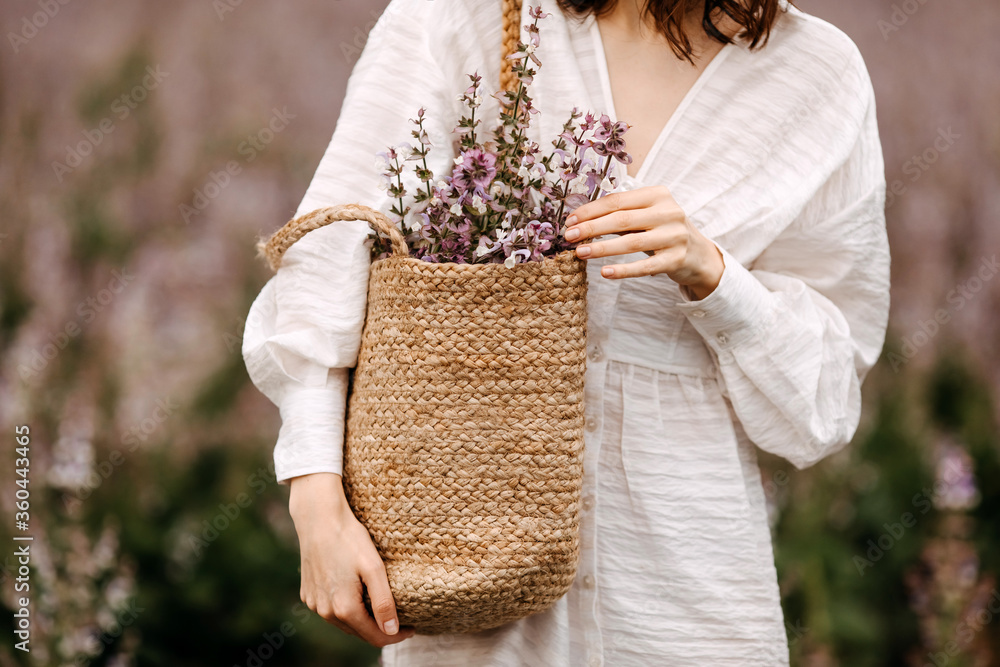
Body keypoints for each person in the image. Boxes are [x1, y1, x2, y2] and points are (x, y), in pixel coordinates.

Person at [241, 0, 890, 664]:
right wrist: (314, 496)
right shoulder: (462, 18)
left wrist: (715, 278)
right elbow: (327, 260)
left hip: (693, 609)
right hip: (473, 597)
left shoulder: (819, 74)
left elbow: (823, 404)